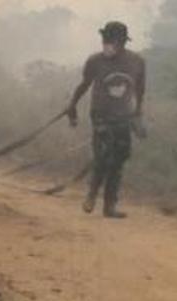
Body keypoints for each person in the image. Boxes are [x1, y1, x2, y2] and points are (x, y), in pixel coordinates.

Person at [67, 21, 147, 219]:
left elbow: (140, 90)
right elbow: (84, 85)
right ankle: (92, 195)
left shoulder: (137, 62)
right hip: (100, 115)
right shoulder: (95, 61)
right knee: (103, 154)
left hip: (123, 116)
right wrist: (72, 106)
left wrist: (137, 115)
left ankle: (109, 206)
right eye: (104, 39)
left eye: (111, 40)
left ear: (122, 42)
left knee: (119, 159)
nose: (106, 44)